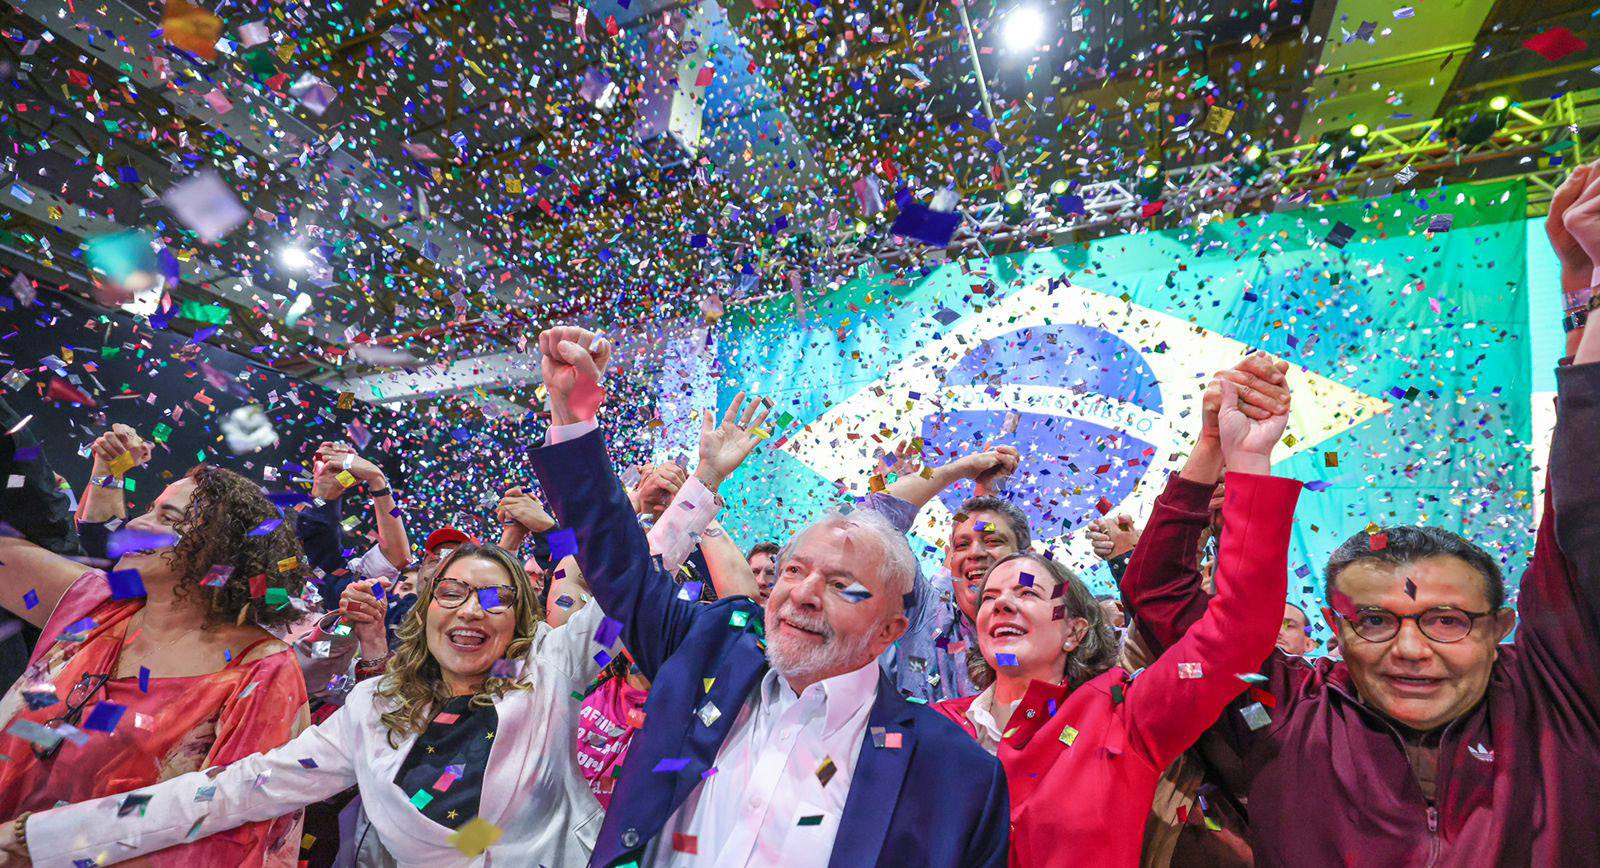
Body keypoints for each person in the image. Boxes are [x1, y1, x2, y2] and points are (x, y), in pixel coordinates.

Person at [1115, 160, 1600, 866]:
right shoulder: (1285, 716)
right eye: (1374, 621)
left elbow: (1585, 514)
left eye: (1447, 620)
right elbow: (1160, 595)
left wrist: (1586, 293)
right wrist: (1220, 453)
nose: (1409, 650)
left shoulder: (1556, 696)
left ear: (1501, 627)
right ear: (1337, 629)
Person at [529, 325, 1009, 868]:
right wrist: (573, 418)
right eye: (793, 570)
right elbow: (617, 560)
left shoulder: (953, 771)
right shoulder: (708, 649)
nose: (801, 594)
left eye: (839, 585)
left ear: (891, 630)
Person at [3, 541, 631, 867]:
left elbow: (623, 594)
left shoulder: (552, 667)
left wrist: (696, 493)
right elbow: (233, 790)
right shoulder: (371, 708)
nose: (472, 610)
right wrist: (55, 835)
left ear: (519, 617)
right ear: (427, 608)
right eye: (454, 593)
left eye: (494, 599)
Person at [929, 376, 1300, 868]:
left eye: (1027, 592)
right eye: (991, 597)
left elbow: (1236, 634)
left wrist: (1239, 456)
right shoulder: (933, 729)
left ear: (1075, 630)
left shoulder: (1125, 714)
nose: (1001, 604)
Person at [0, 457, 312, 867]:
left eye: (167, 516)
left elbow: (235, 835)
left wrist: (42, 849)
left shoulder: (261, 671)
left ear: (222, 547)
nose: (135, 524)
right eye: (149, 509)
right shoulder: (99, 605)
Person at [874, 442, 1025, 702]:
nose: (974, 553)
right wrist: (957, 469)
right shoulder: (927, 614)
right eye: (962, 545)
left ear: (1027, 556)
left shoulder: (1051, 628)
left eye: (993, 541)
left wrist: (987, 494)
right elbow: (872, 524)